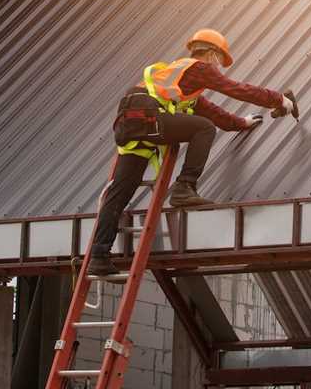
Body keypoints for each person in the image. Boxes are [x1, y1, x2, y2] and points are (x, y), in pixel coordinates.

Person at [85, 28, 298, 278]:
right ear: (211, 54)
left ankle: (98, 257)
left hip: (130, 124)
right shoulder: (198, 68)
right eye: (219, 60)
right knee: (203, 129)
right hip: (148, 116)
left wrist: (242, 123)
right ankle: (185, 187)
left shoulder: (179, 83)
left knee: (119, 193)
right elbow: (236, 89)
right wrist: (278, 99)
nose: (219, 66)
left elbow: (215, 113)